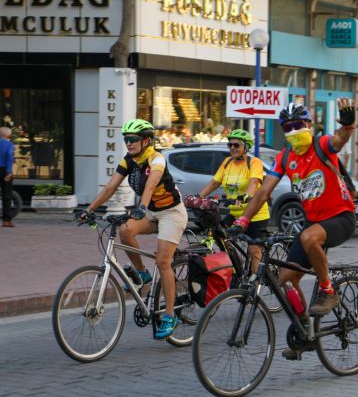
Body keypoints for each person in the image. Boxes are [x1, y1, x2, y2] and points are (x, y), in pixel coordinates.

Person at [232, 99, 357, 360]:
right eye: (287, 127)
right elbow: (263, 191)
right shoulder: (285, 157)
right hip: (314, 224)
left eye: (298, 125)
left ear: (309, 125)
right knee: (285, 279)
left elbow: (340, 139)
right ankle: (305, 332)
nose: (293, 132)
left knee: (308, 236)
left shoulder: (321, 145)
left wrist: (347, 123)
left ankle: (328, 290)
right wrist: (242, 220)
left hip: (341, 217)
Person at [76, 119, 188, 339]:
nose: (128, 143)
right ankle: (143, 275)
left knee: (163, 262)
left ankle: (169, 315)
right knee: (125, 230)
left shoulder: (156, 159)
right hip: (151, 213)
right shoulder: (129, 160)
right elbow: (110, 187)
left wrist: (141, 207)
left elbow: (151, 185)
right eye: (126, 139)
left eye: (133, 139)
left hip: (172, 214)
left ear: (146, 140)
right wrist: (89, 209)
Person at [190, 129, 269, 275]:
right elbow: (214, 183)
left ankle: (255, 283)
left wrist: (246, 196)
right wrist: (198, 197)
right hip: (235, 213)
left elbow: (254, 182)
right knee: (222, 238)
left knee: (253, 249)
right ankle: (237, 270)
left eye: (236, 145)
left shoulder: (254, 162)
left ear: (245, 146)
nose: (232, 148)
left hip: (255, 214)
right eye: (230, 145)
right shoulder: (227, 163)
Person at [0, 126, 15, 227]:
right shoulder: (9, 144)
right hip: (4, 170)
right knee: (6, 195)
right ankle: (6, 221)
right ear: (8, 135)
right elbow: (10, 156)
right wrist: (9, 171)